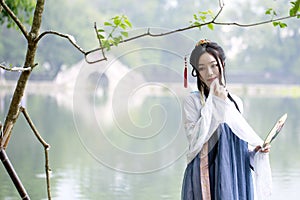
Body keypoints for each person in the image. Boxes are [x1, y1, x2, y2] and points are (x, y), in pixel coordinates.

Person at [181, 39, 272, 200]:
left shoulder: (236, 102)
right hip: (206, 174)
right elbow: (195, 141)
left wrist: (255, 153)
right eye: (202, 69)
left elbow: (236, 148)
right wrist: (215, 103)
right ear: (197, 73)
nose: (209, 73)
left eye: (213, 65)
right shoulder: (192, 101)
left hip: (233, 175)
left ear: (222, 64)